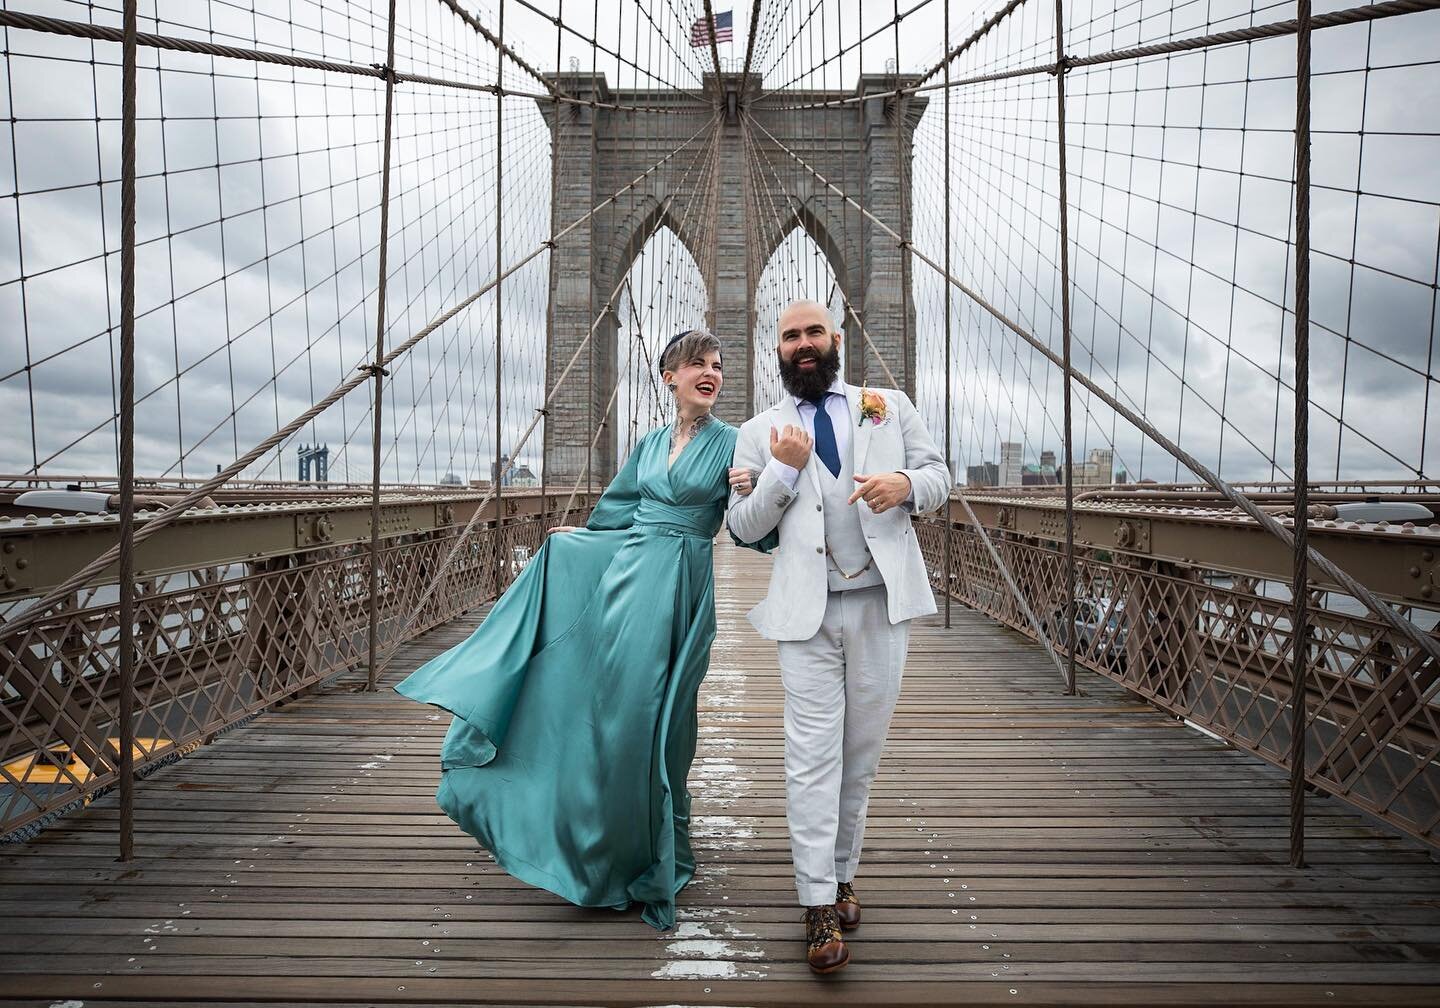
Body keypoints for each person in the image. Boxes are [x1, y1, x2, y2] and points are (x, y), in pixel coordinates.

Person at [395, 329, 755, 931]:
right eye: (697, 363)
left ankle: (652, 858)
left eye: (717, 364)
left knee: (660, 726)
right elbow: (615, 513)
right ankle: (600, 853)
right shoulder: (648, 445)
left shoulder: (737, 444)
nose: (710, 372)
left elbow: (754, 529)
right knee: (613, 721)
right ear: (670, 377)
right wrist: (571, 546)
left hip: (681, 588)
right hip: (626, 583)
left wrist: (756, 489)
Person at [727, 299, 950, 973]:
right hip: (806, 614)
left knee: (861, 753)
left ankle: (844, 873)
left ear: (836, 339)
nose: (802, 344)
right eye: (790, 336)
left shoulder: (889, 403)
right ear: (777, 350)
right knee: (811, 757)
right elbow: (741, 528)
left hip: (880, 602)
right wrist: (783, 471)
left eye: (812, 332)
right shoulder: (758, 430)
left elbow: (941, 478)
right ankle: (817, 900)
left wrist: (906, 483)